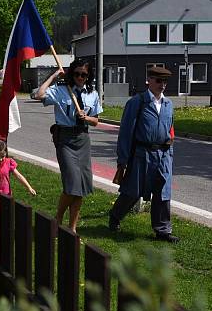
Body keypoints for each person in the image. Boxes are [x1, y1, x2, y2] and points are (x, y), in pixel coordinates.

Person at [108, 66, 179, 243]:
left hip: (163, 154)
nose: (162, 85)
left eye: (164, 81)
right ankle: (115, 217)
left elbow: (170, 128)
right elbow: (126, 132)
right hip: (141, 154)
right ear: (149, 80)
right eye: (158, 81)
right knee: (133, 191)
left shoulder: (168, 104)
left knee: (163, 192)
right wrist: (123, 160)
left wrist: (169, 150)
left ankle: (162, 230)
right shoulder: (137, 102)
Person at [33, 60, 102, 233]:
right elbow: (39, 95)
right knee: (72, 182)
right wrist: (55, 76)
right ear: (72, 74)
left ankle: (72, 228)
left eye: (84, 74)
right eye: (77, 74)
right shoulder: (61, 90)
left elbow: (96, 122)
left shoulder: (92, 93)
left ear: (88, 76)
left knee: (81, 186)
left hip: (82, 138)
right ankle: (58, 217)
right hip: (64, 138)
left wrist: (86, 117)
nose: (80, 77)